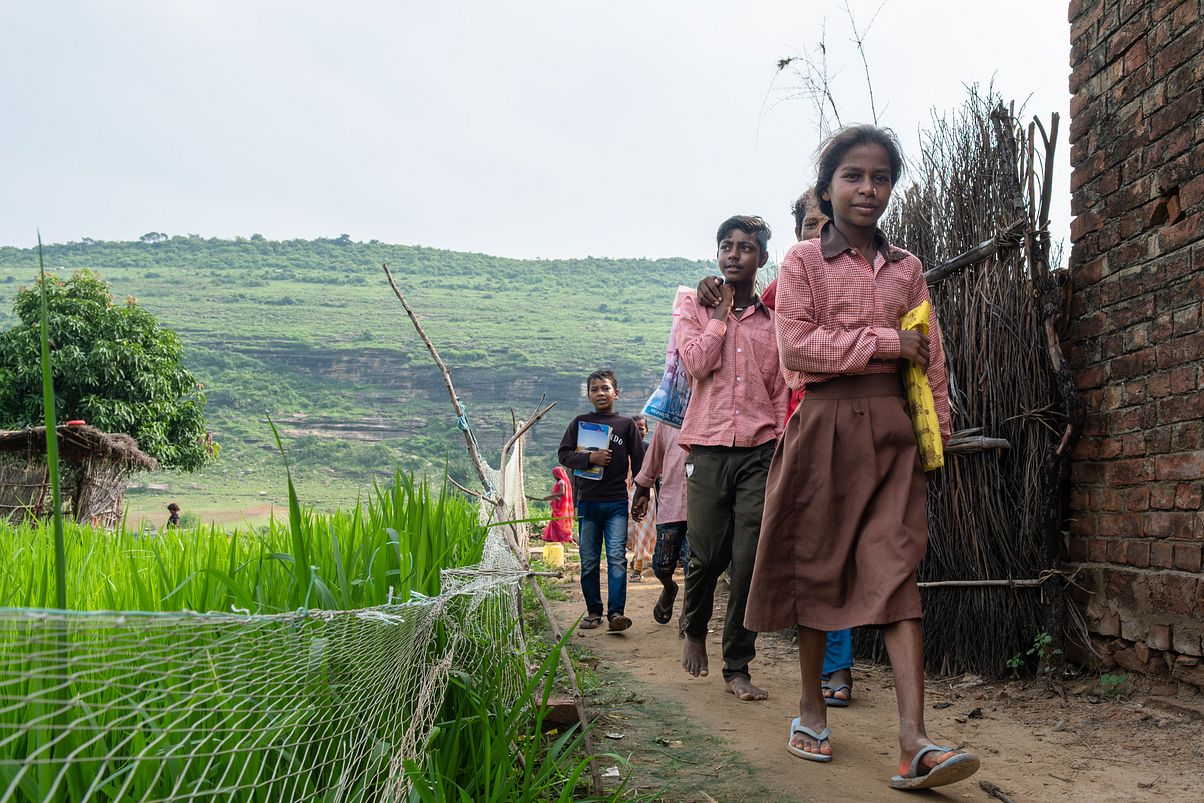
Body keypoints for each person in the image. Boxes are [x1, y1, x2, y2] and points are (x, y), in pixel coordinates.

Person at [744, 125, 980, 790]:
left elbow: (928, 356)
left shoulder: (907, 268)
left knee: (897, 570)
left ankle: (914, 741)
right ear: (827, 188)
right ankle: (812, 710)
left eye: (880, 177)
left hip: (894, 433)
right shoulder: (800, 263)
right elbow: (797, 350)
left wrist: (937, 432)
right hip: (824, 428)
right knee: (819, 569)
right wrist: (881, 341)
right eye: (853, 176)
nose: (868, 189)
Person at [697, 186, 856, 707]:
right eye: (812, 223)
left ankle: (825, 668)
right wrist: (715, 304)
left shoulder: (866, 281)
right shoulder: (766, 301)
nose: (821, 231)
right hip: (773, 438)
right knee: (740, 553)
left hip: (832, 430)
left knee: (827, 549)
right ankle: (702, 632)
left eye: (827, 222)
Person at [675, 215, 788, 702]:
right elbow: (696, 364)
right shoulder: (691, 305)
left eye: (745, 247)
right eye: (727, 246)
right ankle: (694, 626)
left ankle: (737, 665)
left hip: (759, 451)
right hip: (706, 444)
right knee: (705, 556)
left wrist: (782, 446)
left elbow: (782, 391)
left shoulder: (773, 321)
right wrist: (719, 315)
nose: (734, 253)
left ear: (761, 259)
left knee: (748, 563)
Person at [557, 369, 645, 632]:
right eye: (595, 389)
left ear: (616, 393)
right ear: (589, 395)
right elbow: (564, 455)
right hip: (588, 503)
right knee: (589, 559)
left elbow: (640, 462)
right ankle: (594, 611)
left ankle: (616, 613)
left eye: (605, 388)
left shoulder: (626, 425)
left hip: (617, 501)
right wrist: (589, 459)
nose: (600, 393)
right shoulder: (579, 423)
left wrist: (644, 493)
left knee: (617, 558)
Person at [631, 419, 689, 629]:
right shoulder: (669, 420)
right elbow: (654, 456)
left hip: (703, 504)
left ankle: (688, 616)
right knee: (661, 565)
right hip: (671, 502)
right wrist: (642, 490)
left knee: (695, 566)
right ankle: (669, 587)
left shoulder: (714, 410)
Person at [626, 414, 656, 580]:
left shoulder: (650, 449)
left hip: (645, 495)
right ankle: (633, 559)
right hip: (625, 492)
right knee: (629, 531)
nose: (638, 432)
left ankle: (637, 569)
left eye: (641, 428)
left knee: (642, 530)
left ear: (647, 430)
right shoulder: (622, 448)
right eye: (634, 428)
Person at [534, 467, 574, 543]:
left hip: (560, 506)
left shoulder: (561, 482)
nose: (554, 476)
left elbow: (562, 493)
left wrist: (550, 497)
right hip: (559, 504)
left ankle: (561, 536)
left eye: (554, 474)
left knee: (558, 520)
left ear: (558, 474)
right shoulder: (561, 481)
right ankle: (554, 536)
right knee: (555, 519)